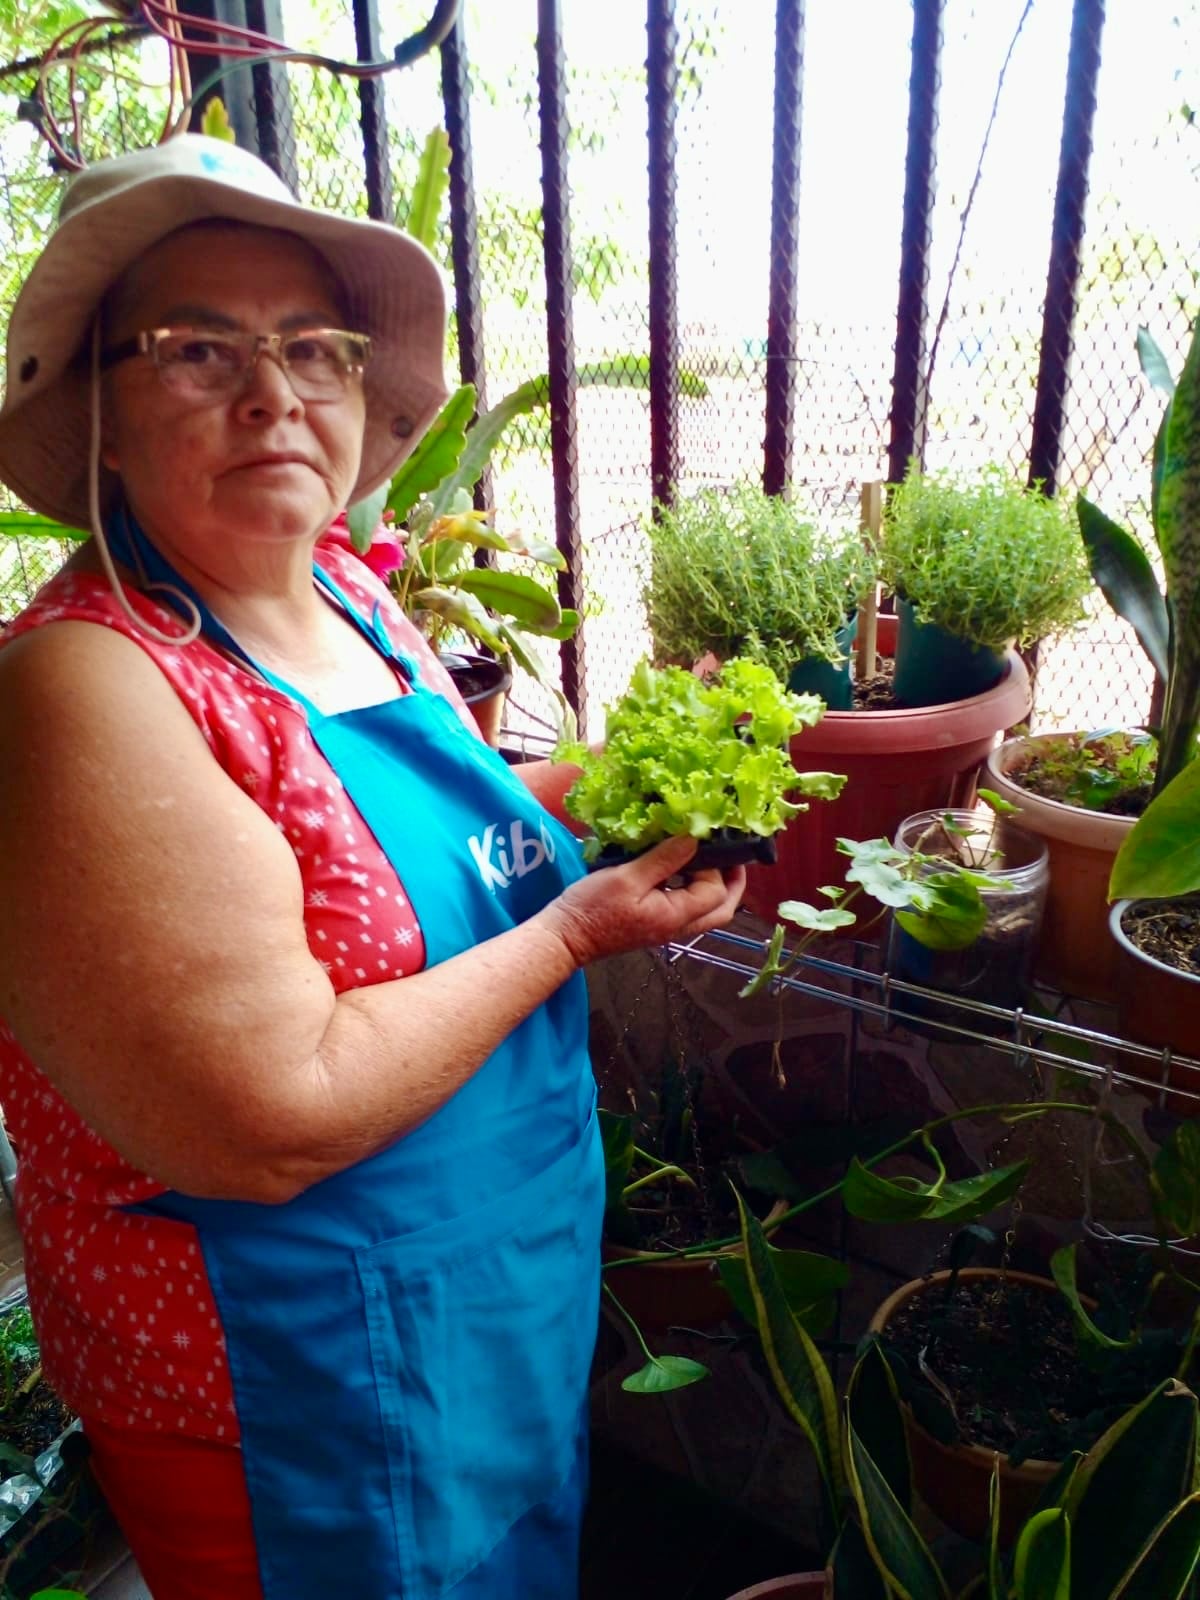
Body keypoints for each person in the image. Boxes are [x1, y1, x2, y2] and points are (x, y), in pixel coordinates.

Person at [0, 135, 744, 1600]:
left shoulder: (345, 590)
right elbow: (270, 1114)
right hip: (295, 1388)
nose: (273, 391)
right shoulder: (84, 687)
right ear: (99, 415)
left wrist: (646, 777)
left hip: (491, 1302)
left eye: (311, 347)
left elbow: (405, 857)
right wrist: (574, 933)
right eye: (198, 350)